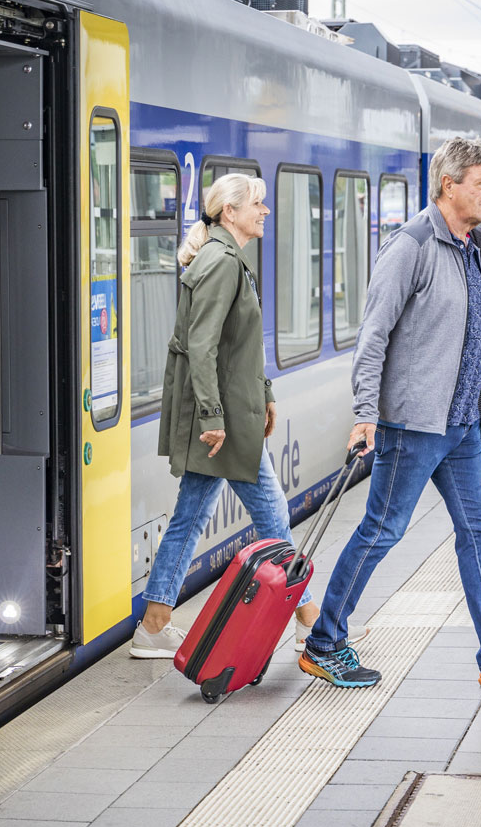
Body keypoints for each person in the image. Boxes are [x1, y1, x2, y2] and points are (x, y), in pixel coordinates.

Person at [298, 138, 481, 690]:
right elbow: (372, 337)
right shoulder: (412, 245)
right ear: (450, 185)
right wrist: (366, 412)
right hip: (414, 425)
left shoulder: (469, 243)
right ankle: (324, 642)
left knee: (478, 529)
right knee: (381, 530)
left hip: (461, 424)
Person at [130, 173, 365, 658]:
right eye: (257, 203)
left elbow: (239, 347)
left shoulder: (226, 258)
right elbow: (202, 344)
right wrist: (214, 417)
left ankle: (154, 624)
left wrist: (267, 393)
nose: (265, 211)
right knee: (273, 513)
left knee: (190, 517)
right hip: (222, 420)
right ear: (230, 212)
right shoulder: (221, 263)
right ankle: (308, 621)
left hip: (228, 410)